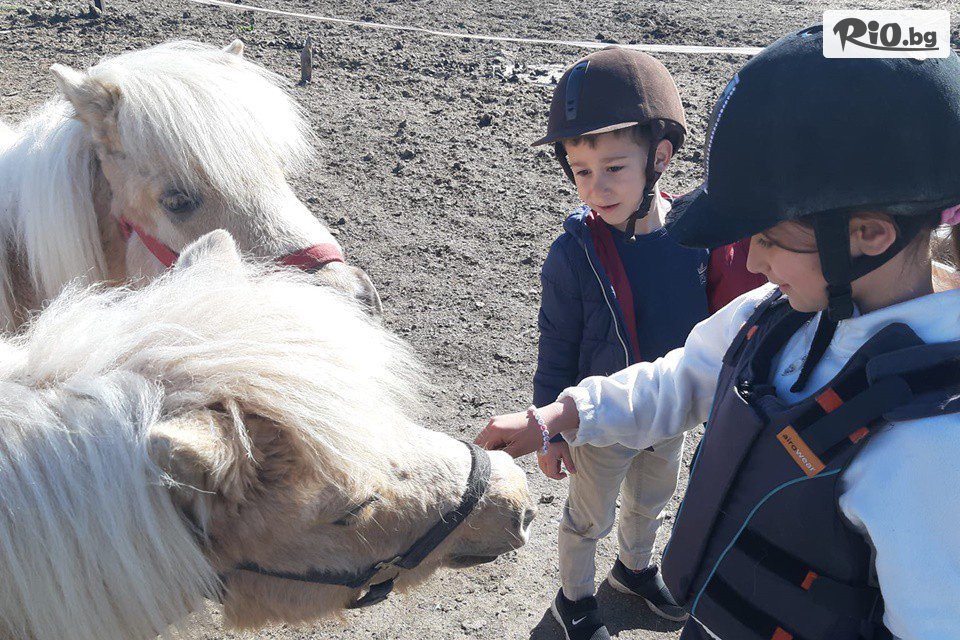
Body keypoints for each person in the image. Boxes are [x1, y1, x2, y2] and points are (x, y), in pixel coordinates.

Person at [477, 26, 960, 640]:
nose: (752, 261)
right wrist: (562, 413)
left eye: (770, 237)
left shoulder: (934, 443)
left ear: (867, 236)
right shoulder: (777, 312)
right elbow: (681, 376)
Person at [527, 47, 765, 640]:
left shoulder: (697, 234)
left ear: (659, 158)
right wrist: (551, 428)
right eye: (582, 171)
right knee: (588, 518)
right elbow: (556, 345)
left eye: (614, 167)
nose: (596, 187)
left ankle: (634, 570)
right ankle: (574, 598)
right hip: (600, 420)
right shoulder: (574, 254)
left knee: (651, 501)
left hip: (668, 413)